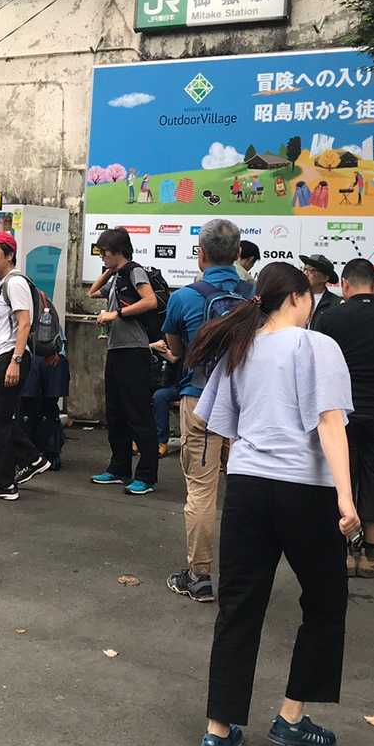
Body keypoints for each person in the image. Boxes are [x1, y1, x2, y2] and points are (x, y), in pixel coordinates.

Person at [190, 262, 361, 746]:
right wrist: (347, 499)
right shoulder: (317, 346)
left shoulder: (240, 349)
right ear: (295, 298)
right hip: (307, 491)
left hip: (247, 487)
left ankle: (218, 729)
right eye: (309, 298)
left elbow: (220, 424)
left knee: (239, 606)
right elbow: (331, 422)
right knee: (325, 603)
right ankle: (291, 716)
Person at [160, 218, 254, 604]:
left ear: (201, 255)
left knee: (201, 491)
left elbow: (176, 351)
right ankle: (245, 572)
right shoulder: (254, 296)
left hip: (200, 401)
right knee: (245, 489)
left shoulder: (184, 298)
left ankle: (199, 576)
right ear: (238, 254)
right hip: (246, 405)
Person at [315, 258, 374, 577]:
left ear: (344, 285)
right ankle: (372, 554)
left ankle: (341, 551)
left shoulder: (329, 318)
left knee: (340, 476)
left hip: (339, 413)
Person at [0, 231, 48, 500]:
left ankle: (3, 484)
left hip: (10, 356)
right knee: (2, 419)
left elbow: (24, 323)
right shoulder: (6, 283)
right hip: (6, 355)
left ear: (10, 255)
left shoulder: (15, 282)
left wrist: (15, 361)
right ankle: (33, 459)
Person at [87, 228, 160, 494]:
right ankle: (119, 468)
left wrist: (116, 314)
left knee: (138, 413)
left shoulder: (134, 271)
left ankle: (147, 476)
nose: (102, 257)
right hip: (116, 350)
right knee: (115, 413)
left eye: (105, 252)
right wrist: (109, 270)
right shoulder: (118, 275)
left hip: (134, 351)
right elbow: (93, 292)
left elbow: (150, 301)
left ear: (118, 251)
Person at [21, 337, 70, 471]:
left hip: (43, 350)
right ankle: (44, 452)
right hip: (44, 350)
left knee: (41, 407)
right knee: (38, 407)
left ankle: (42, 452)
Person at [299, 254, 341, 327]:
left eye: (312, 270)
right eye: (305, 269)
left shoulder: (335, 304)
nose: (305, 273)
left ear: (325, 278)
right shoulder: (294, 298)